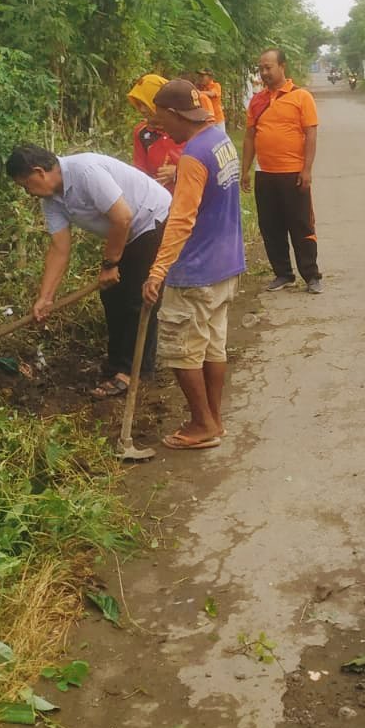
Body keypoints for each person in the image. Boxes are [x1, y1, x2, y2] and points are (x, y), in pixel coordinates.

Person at [7, 143, 171, 396]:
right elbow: (59, 248)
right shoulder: (52, 201)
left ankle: (134, 372)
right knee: (111, 294)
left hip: (154, 218)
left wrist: (110, 264)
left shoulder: (85, 171)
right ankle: (116, 364)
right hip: (126, 233)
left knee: (137, 296)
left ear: (39, 172)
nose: (28, 192)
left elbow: (123, 216)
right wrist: (45, 297)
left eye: (26, 184)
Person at [141, 79, 247, 450]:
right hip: (227, 263)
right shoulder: (220, 140)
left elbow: (182, 218)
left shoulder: (192, 157)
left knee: (183, 348)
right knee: (211, 346)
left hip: (196, 270)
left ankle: (202, 423)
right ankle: (213, 420)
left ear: (173, 114)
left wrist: (157, 271)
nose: (159, 127)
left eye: (160, 119)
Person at [241, 48, 322, 294]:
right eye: (261, 68)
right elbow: (250, 137)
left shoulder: (301, 97)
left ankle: (311, 275)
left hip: (293, 173)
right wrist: (245, 171)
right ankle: (283, 274)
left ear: (282, 66)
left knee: (301, 225)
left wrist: (306, 170)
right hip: (265, 174)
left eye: (269, 67)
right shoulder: (257, 101)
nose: (264, 72)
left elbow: (310, 134)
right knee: (270, 226)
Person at [128, 72, 184, 188]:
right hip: (159, 200)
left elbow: (207, 168)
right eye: (139, 104)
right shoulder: (142, 133)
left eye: (146, 104)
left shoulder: (187, 129)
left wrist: (178, 172)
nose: (142, 110)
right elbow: (140, 173)